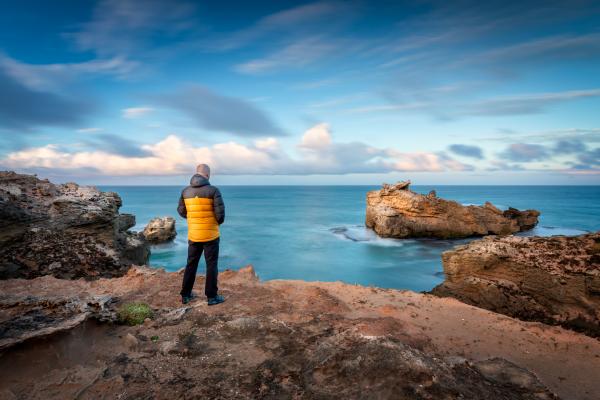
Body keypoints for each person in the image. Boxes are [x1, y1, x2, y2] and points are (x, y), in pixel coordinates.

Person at [177, 164, 226, 305]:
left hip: (194, 235)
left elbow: (181, 211)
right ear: (208, 175)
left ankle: (185, 295)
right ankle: (211, 297)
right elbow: (220, 215)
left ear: (197, 174)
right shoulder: (213, 190)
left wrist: (194, 218)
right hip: (211, 235)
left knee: (191, 264)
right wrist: (214, 222)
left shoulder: (185, 191)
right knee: (211, 265)